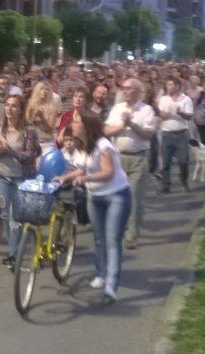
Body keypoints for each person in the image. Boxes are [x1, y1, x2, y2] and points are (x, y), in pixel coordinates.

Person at [55, 112, 131, 304]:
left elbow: (108, 172)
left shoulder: (103, 145)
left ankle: (111, 287)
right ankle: (100, 273)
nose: (74, 124)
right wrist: (66, 177)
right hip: (95, 197)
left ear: (87, 126)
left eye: (77, 122)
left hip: (116, 195)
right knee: (99, 238)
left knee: (112, 240)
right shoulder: (82, 146)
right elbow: (82, 168)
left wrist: (86, 178)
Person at [0, 95, 39, 269]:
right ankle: (15, 248)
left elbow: (30, 155)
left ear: (20, 109)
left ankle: (13, 254)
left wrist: (10, 150)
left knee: (15, 217)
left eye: (14, 106)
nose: (9, 109)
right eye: (7, 105)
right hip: (1, 177)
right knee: (5, 214)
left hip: (21, 179)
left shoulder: (29, 130)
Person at [104, 78, 157, 250]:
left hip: (138, 159)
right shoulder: (117, 108)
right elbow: (105, 130)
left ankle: (131, 235)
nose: (125, 91)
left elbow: (148, 135)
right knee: (117, 197)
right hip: (118, 158)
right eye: (123, 88)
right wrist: (120, 127)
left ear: (137, 91)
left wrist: (132, 124)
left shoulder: (146, 110)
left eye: (128, 88)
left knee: (133, 197)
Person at [157, 77, 193, 193]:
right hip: (167, 134)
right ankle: (166, 185)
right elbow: (160, 114)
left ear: (177, 86)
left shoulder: (186, 100)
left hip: (181, 134)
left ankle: (183, 179)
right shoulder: (163, 99)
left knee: (183, 161)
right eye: (167, 85)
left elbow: (189, 116)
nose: (167, 87)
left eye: (170, 85)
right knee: (165, 162)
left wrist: (180, 112)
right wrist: (164, 114)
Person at [25, 81, 60, 155]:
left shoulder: (53, 108)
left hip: (46, 143)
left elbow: (50, 130)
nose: (45, 92)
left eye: (47, 90)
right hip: (31, 142)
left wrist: (42, 117)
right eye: (42, 89)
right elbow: (27, 124)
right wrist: (34, 115)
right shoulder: (31, 106)